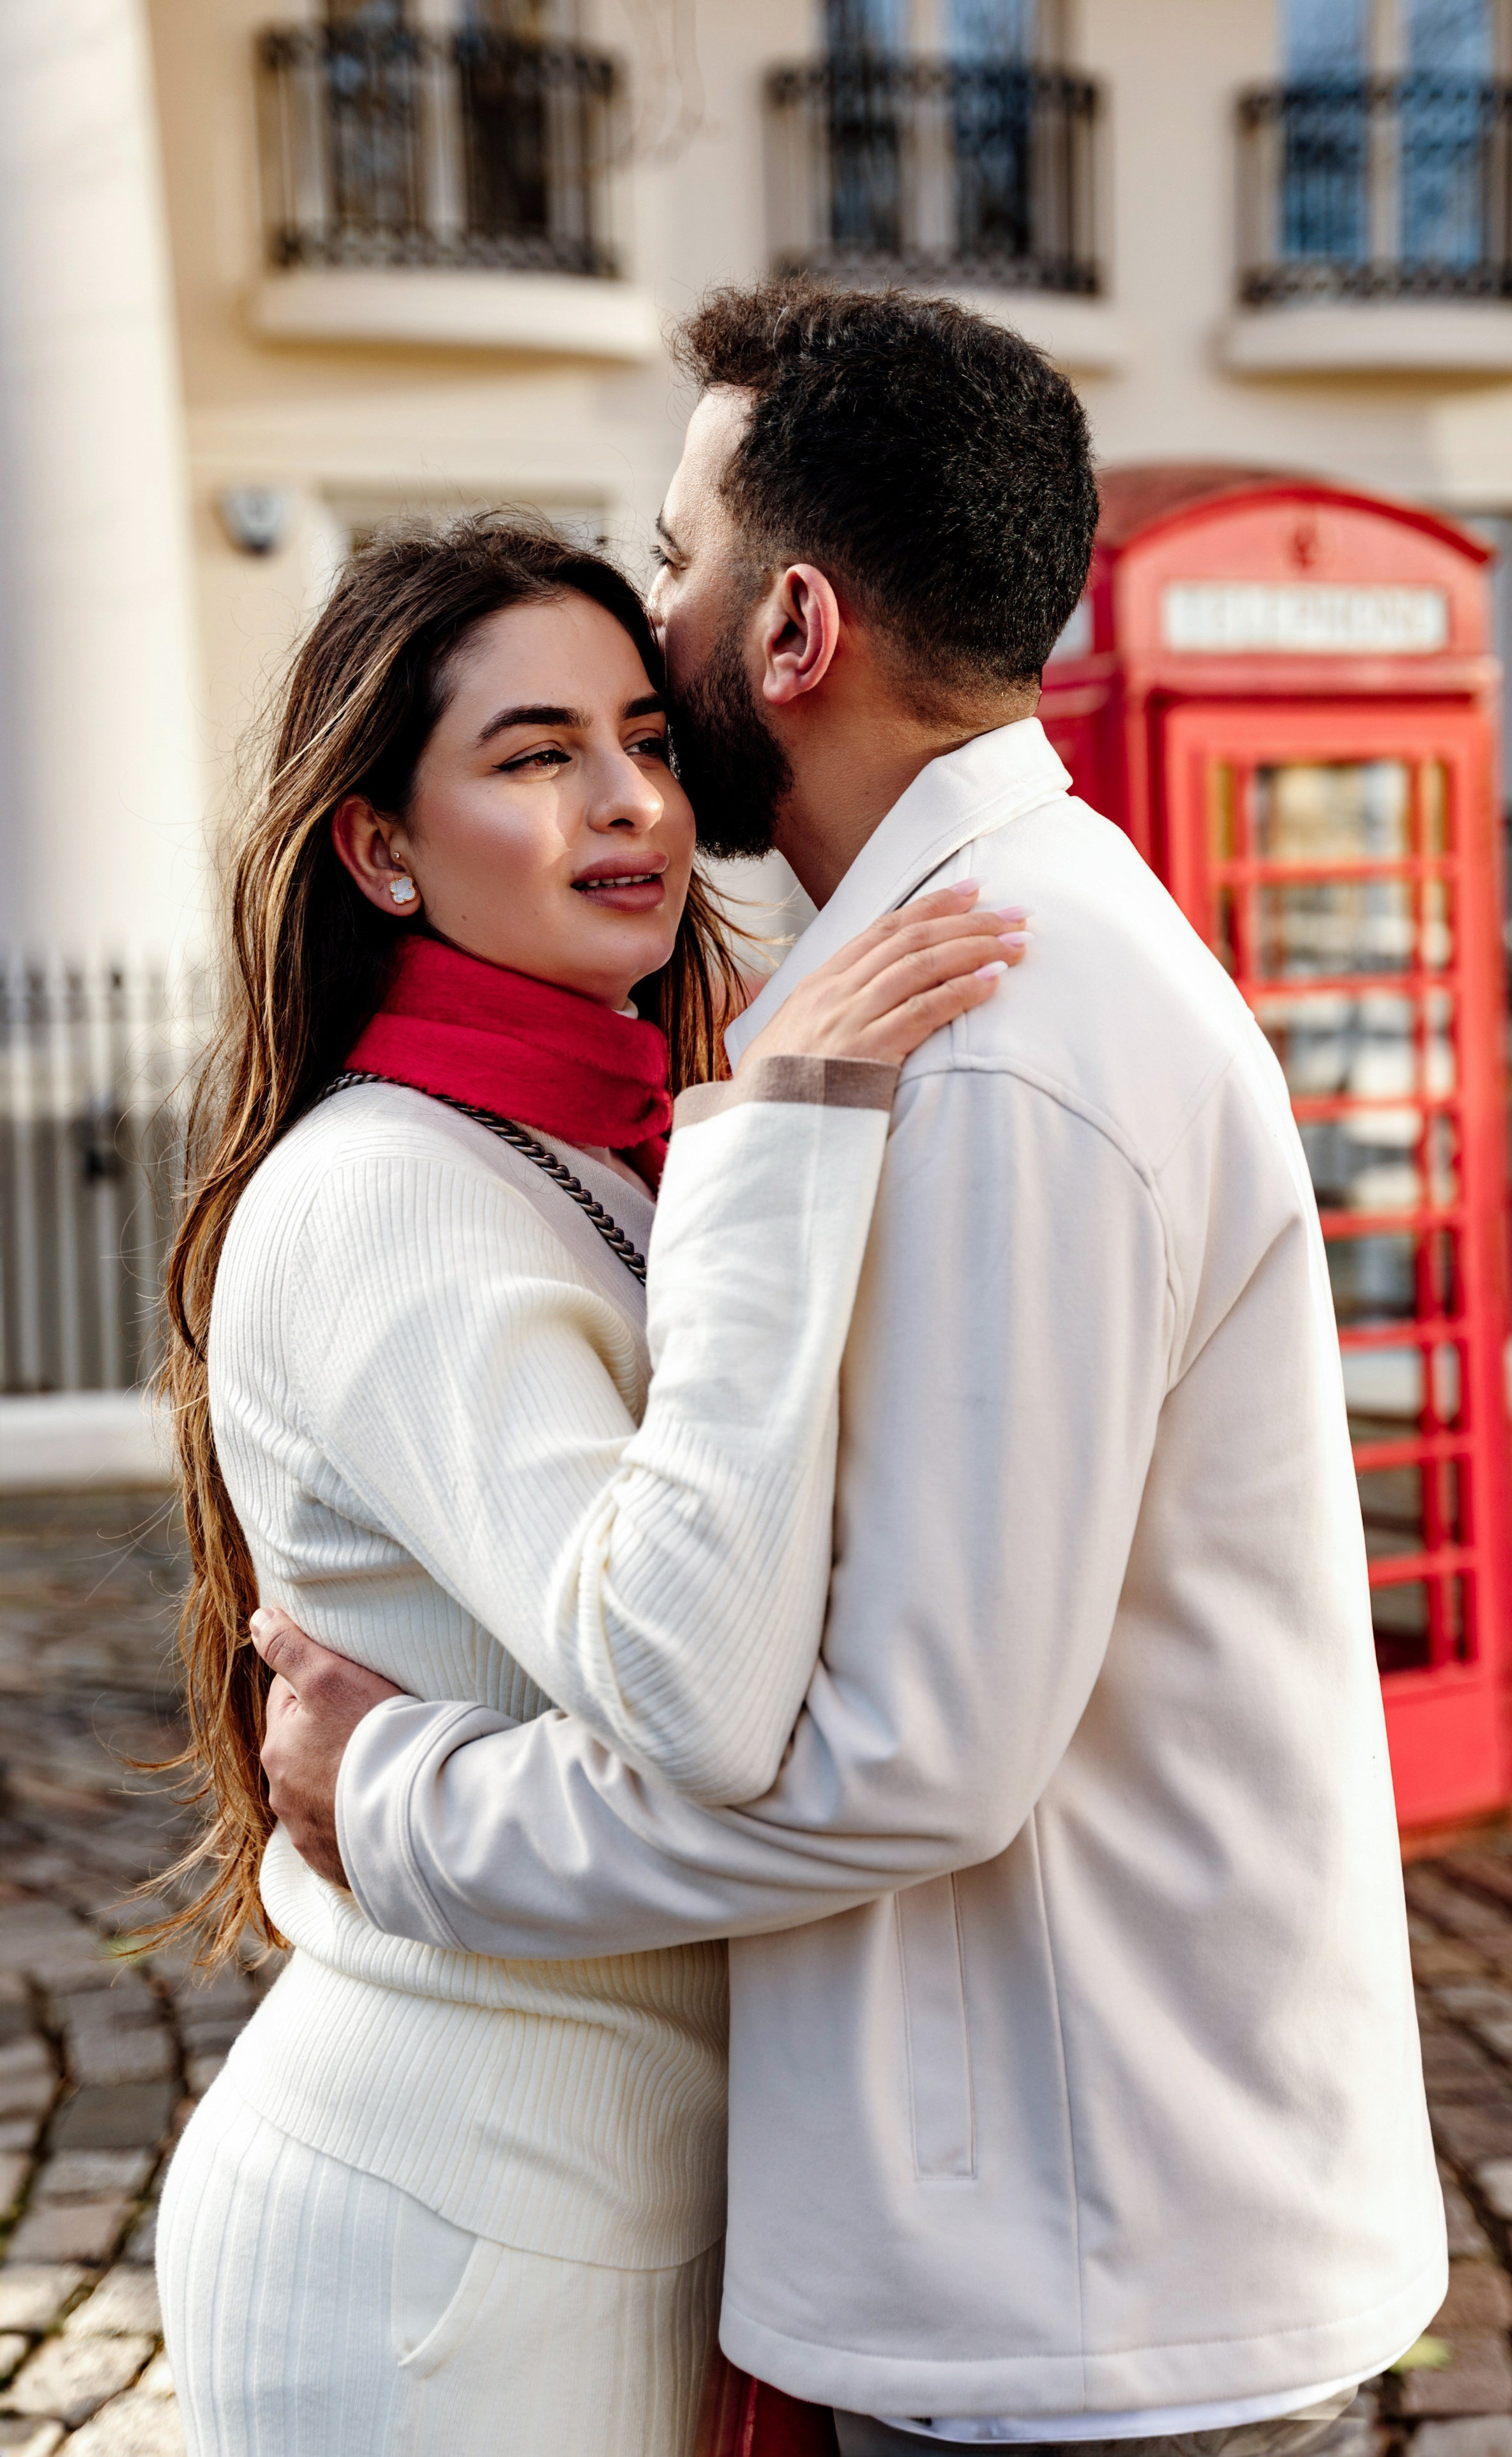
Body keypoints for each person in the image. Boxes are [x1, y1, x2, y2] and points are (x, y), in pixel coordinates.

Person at [254, 282, 1446, 2457]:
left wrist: (399, 1807)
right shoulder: (939, 975)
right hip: (1046, 2228)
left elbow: (902, 1757)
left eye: (675, 555)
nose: (653, 613)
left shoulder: (981, 1026)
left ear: (790, 628)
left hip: (1070, 2285)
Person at [150, 515, 1029, 2456]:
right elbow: (692, 1687)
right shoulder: (391, 1190)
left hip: (602, 2199)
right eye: (536, 755)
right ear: (378, 847)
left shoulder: (596, 1149)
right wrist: (788, 1142)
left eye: (641, 732)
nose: (630, 800)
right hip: (452, 2234)